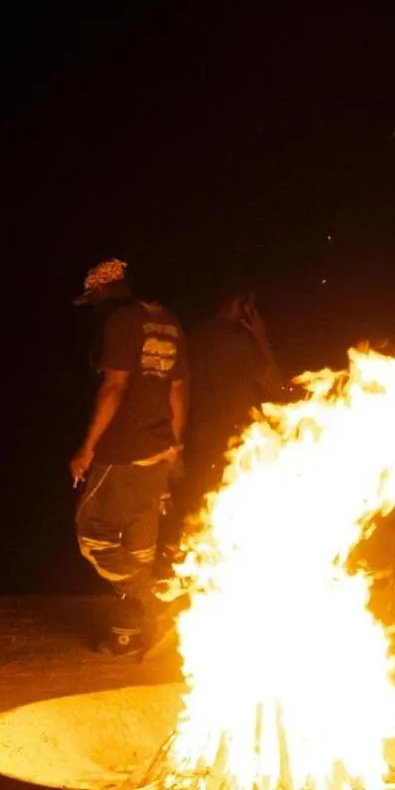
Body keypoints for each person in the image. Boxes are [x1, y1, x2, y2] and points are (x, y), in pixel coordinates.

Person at [70, 259, 187, 652]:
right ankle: (132, 632)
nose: (93, 309)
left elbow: (114, 387)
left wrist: (87, 448)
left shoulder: (121, 321)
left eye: (93, 299)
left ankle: (155, 597)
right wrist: (174, 447)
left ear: (104, 291)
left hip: (123, 448)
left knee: (95, 538)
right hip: (158, 448)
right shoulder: (168, 322)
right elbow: (178, 390)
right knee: (138, 550)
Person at [182, 282, 284, 517]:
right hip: (233, 435)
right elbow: (276, 386)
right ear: (239, 305)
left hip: (201, 430)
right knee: (232, 503)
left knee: (205, 501)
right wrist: (261, 337)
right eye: (251, 306)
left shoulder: (195, 336)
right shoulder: (238, 341)